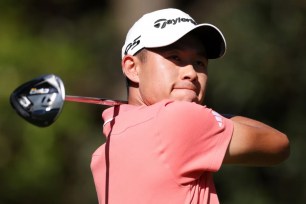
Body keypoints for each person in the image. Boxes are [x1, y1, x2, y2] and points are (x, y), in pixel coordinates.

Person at [90, 8, 290, 204]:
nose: (192, 73)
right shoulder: (180, 118)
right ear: (133, 68)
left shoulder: (103, 154)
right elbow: (279, 145)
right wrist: (209, 115)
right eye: (175, 58)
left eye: (199, 62)